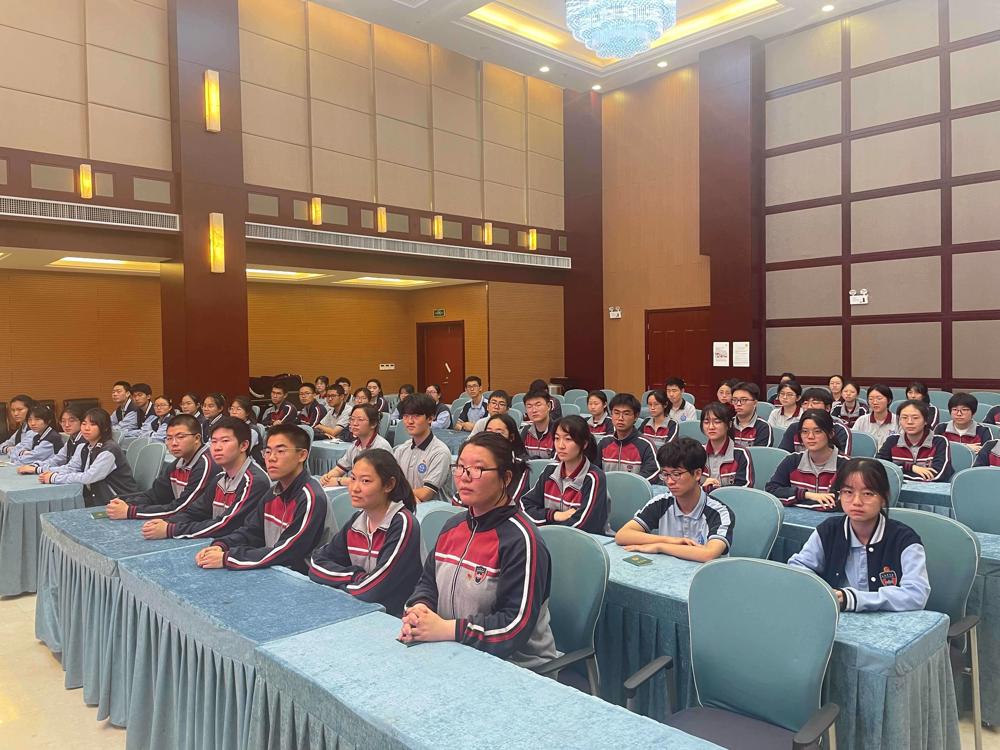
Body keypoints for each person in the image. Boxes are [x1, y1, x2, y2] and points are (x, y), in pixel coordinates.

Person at [400, 432, 557, 670]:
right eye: (461, 467)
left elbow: (513, 627)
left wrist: (448, 629)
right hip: (453, 649)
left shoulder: (522, 540)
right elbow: (428, 583)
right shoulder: (452, 526)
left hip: (515, 666)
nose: (464, 477)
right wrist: (420, 608)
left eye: (478, 469)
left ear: (505, 478)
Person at [788, 458, 930, 612]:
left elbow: (916, 595)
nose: (856, 501)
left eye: (868, 493)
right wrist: (823, 592)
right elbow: (797, 569)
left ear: (884, 498)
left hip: (890, 624)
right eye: (848, 492)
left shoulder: (904, 540)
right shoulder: (828, 530)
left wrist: (853, 599)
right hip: (836, 620)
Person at [194, 424, 327, 574]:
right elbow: (252, 531)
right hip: (277, 571)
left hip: (304, 578)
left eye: (280, 451)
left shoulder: (311, 497)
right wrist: (222, 545)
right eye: (268, 452)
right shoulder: (273, 493)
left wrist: (227, 558)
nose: (271, 458)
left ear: (302, 455)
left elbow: (287, 551)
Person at [309, 449, 421, 617]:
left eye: (365, 481)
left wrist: (342, 580)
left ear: (389, 485)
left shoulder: (403, 524)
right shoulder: (358, 521)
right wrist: (356, 576)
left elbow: (372, 591)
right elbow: (316, 564)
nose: (354, 488)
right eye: (353, 478)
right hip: (358, 611)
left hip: (395, 620)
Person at [139, 417, 270, 541]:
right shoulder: (220, 479)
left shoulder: (254, 481)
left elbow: (225, 524)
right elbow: (196, 511)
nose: (217, 447)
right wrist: (167, 523)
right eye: (214, 441)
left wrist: (171, 530)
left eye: (225, 441)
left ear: (244, 445)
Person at [614, 438, 734, 561]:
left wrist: (660, 546)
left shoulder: (719, 512)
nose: (670, 481)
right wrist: (671, 540)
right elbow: (622, 535)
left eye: (676, 474)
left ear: (697, 474)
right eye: (665, 474)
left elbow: (708, 554)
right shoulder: (661, 502)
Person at [105, 413, 218, 520]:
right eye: (169, 438)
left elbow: (183, 508)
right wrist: (127, 504)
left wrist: (130, 511)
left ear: (197, 438)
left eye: (180, 437)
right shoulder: (178, 463)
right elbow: (155, 495)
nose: (174, 443)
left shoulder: (206, 464)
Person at [521, 415, 609, 534]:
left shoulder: (594, 478)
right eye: (557, 438)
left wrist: (546, 525)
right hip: (548, 537)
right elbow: (525, 506)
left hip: (584, 540)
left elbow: (584, 524)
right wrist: (554, 515)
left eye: (568, 439)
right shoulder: (549, 471)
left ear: (584, 444)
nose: (561, 445)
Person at [41, 408, 139, 506]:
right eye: (84, 424)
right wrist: (50, 473)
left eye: (93, 424)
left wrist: (55, 478)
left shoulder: (109, 450)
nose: (86, 428)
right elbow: (72, 468)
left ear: (105, 428)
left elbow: (89, 477)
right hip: (99, 498)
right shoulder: (85, 447)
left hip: (122, 501)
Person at [767, 410, 850, 511]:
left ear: (831, 434)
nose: (810, 437)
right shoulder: (792, 461)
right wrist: (806, 495)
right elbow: (771, 491)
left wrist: (794, 500)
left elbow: (841, 504)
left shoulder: (846, 466)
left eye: (817, 431)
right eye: (805, 431)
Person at [393, 394, 452, 504]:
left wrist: (397, 493)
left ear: (430, 418)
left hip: (433, 511)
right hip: (407, 506)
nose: (409, 421)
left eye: (416, 416)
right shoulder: (401, 450)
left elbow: (426, 494)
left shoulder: (440, 452)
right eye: (406, 416)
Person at [877, 400, 952, 482]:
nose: (909, 422)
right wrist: (911, 467)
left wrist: (896, 475)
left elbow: (937, 475)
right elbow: (878, 468)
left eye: (915, 418)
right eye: (904, 418)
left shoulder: (939, 442)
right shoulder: (892, 441)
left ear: (926, 421)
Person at [320, 404, 392, 488]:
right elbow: (340, 469)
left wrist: (339, 481)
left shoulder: (381, 447)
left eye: (360, 420)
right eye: (352, 419)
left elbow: (372, 480)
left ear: (373, 424)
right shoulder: (355, 445)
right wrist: (328, 477)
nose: (354, 423)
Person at [599, 393, 660, 481]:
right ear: (611, 415)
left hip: (635, 489)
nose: (620, 418)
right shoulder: (604, 442)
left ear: (636, 416)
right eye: (616, 413)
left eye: (626, 414)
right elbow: (594, 471)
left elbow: (652, 472)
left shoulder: (645, 445)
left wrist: (627, 485)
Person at [778, 388, 853, 455]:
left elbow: (842, 461)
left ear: (828, 408)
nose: (809, 407)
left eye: (815, 403)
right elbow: (783, 456)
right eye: (805, 403)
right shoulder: (794, 427)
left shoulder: (840, 430)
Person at [18, 404, 87, 475]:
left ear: (83, 422)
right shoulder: (72, 440)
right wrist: (35, 465)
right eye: (63, 421)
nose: (67, 425)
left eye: (71, 421)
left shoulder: (84, 441)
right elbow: (57, 460)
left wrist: (37, 469)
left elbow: (71, 468)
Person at [699, 402, 753, 490]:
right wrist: (702, 488)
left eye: (717, 422)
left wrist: (713, 489)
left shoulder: (741, 453)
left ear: (729, 424)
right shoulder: (698, 452)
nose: (711, 427)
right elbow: (689, 485)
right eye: (706, 422)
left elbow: (744, 487)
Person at [853, 384, 898, 450]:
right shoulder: (862, 420)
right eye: (871, 399)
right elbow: (854, 441)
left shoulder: (898, 421)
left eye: (879, 398)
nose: (875, 402)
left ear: (889, 400)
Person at [730, 382, 772, 448]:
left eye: (743, 400)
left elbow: (762, 452)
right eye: (734, 400)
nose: (738, 404)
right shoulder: (727, 424)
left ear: (755, 403)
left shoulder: (763, 427)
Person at [521, 389, 556, 459]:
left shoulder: (557, 431)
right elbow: (520, 456)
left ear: (549, 406)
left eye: (538, 405)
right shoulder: (525, 431)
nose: (534, 410)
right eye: (529, 406)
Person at [229, 395, 264, 464]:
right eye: (232, 408)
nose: (233, 412)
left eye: (238, 409)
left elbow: (241, 453)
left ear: (247, 413)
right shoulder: (230, 427)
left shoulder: (252, 430)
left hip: (251, 465)